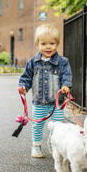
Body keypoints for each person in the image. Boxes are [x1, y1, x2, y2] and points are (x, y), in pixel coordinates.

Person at [18, 24, 73, 158]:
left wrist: (66, 85)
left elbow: (66, 76)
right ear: (37, 44)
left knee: (58, 126)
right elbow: (26, 77)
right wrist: (23, 87)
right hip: (39, 102)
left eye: (52, 43)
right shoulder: (33, 62)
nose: (48, 47)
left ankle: (54, 145)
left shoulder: (63, 62)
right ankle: (36, 146)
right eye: (43, 43)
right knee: (37, 125)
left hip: (57, 104)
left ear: (58, 44)